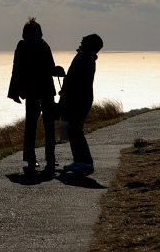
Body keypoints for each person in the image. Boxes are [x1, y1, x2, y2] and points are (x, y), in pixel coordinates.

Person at [7, 17, 64, 172]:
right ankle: (31, 159)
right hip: (32, 92)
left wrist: (58, 71)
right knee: (31, 126)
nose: (34, 36)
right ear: (25, 35)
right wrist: (14, 92)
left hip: (45, 90)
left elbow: (50, 67)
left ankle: (50, 159)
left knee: (48, 126)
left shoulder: (45, 46)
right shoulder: (22, 47)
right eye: (31, 34)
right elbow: (16, 69)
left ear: (40, 34)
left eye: (36, 34)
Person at [58, 34, 104, 174]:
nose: (81, 43)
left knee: (76, 131)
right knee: (73, 130)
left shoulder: (85, 58)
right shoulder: (86, 58)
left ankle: (85, 161)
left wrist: (66, 93)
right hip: (80, 99)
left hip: (78, 100)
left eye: (83, 41)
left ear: (89, 45)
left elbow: (76, 80)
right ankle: (79, 160)